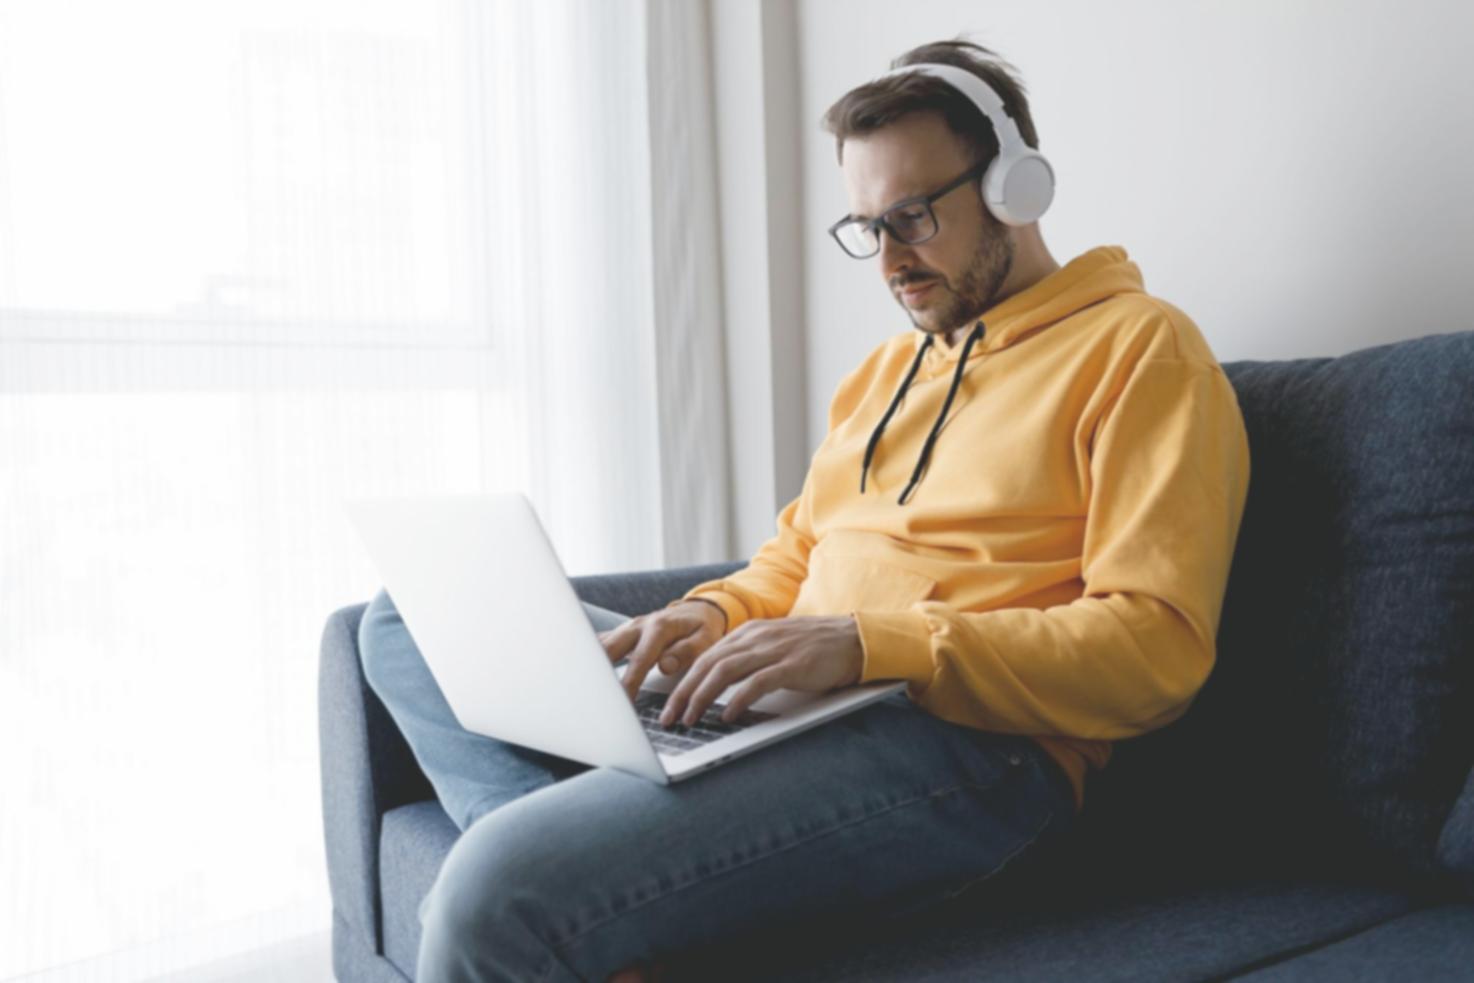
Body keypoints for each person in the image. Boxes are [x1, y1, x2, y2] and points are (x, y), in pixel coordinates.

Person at [358, 38, 1250, 983]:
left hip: (970, 748)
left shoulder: (1142, 351)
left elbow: (1156, 651)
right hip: (795, 705)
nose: (890, 262)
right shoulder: (885, 373)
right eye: (868, 227)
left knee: (494, 884)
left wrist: (873, 645)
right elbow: (793, 557)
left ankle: (556, 887)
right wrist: (710, 614)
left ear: (1012, 187)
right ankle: (595, 894)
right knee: (396, 618)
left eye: (911, 217)